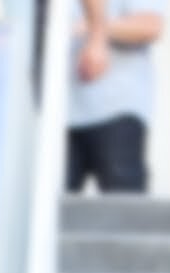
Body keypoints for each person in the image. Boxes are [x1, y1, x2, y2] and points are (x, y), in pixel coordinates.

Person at [66, 0, 164, 193]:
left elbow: (151, 26)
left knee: (124, 211)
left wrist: (94, 29)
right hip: (57, 113)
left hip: (116, 109)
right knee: (45, 211)